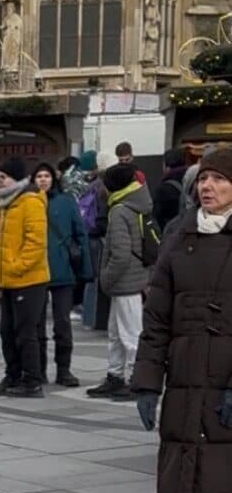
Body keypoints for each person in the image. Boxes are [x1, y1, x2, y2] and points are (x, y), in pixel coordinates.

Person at [132, 145, 232, 493]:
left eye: (218, 178)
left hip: (227, 375)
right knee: (194, 472)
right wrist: (148, 382)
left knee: (228, 476)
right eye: (203, 179)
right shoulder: (180, 236)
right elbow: (156, 319)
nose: (207, 187)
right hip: (188, 374)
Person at [87, 160, 154, 400]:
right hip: (133, 279)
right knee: (117, 333)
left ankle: (136, 380)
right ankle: (116, 375)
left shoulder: (119, 210)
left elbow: (121, 254)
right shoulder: (136, 204)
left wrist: (106, 277)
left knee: (130, 334)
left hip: (125, 282)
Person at [0, 158, 49, 398]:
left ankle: (32, 379)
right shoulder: (8, 202)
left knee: (26, 332)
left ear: (16, 178)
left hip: (29, 279)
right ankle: (12, 374)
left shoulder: (30, 202)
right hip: (9, 280)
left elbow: (36, 242)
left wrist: (17, 266)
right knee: (7, 331)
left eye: (3, 177)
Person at [32, 162, 91, 387]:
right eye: (39, 176)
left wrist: (85, 270)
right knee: (36, 324)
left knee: (62, 324)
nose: (43, 180)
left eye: (46, 175)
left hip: (62, 271)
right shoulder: (29, 202)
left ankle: (63, 369)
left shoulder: (66, 202)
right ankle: (39, 369)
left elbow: (80, 233)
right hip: (36, 271)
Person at [153, 147, 188, 234]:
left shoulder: (163, 189)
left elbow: (157, 216)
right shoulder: (194, 181)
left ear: (167, 167)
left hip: (172, 234)